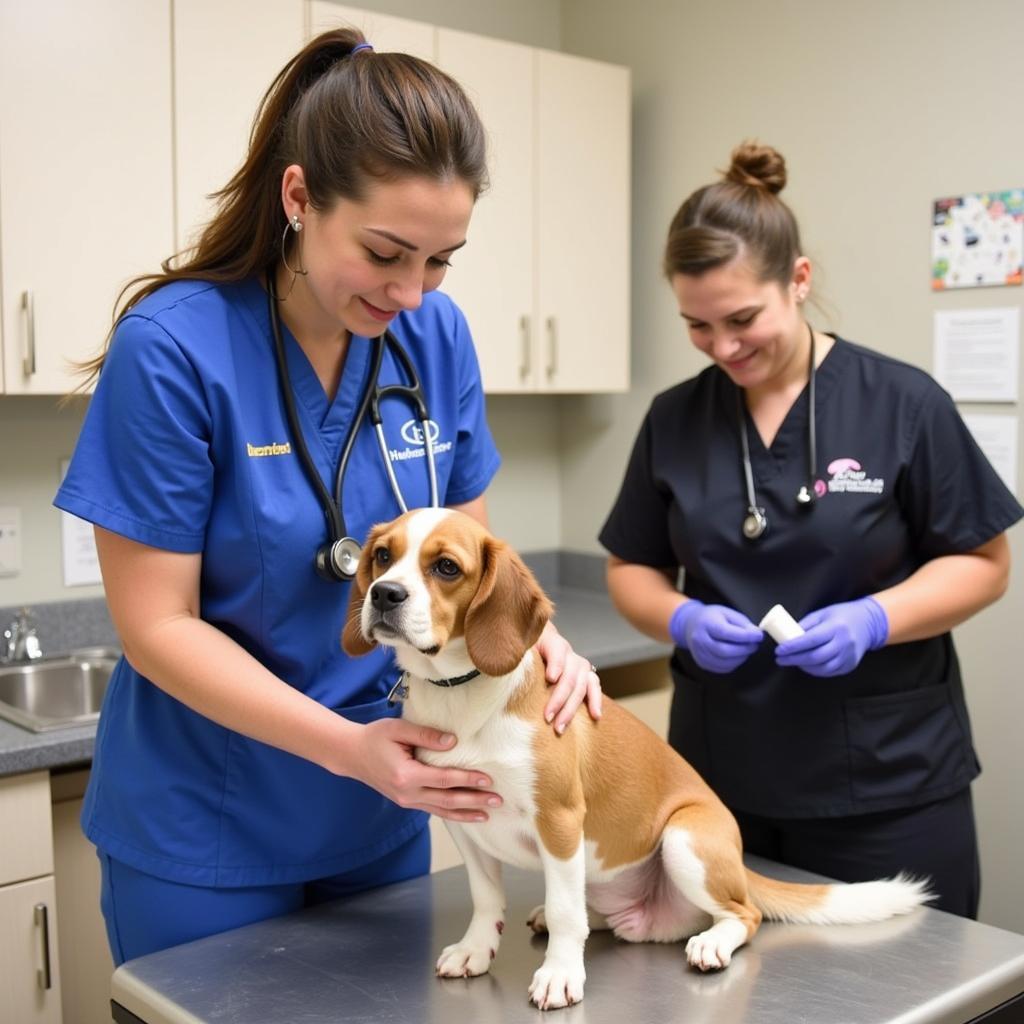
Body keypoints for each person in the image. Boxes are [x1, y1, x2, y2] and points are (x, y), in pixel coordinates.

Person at [55, 29, 601, 964]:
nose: (413, 292)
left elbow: (466, 549)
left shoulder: (434, 340)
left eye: (441, 261)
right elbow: (157, 626)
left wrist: (537, 638)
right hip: (209, 819)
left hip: (385, 802)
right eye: (387, 252)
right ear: (300, 198)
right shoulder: (176, 348)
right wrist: (348, 749)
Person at [599, 141, 1022, 919]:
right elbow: (631, 568)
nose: (723, 348)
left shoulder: (903, 403)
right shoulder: (674, 419)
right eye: (697, 325)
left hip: (887, 786)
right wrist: (681, 619)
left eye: (742, 319)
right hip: (713, 787)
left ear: (798, 280)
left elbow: (984, 562)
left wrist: (876, 618)